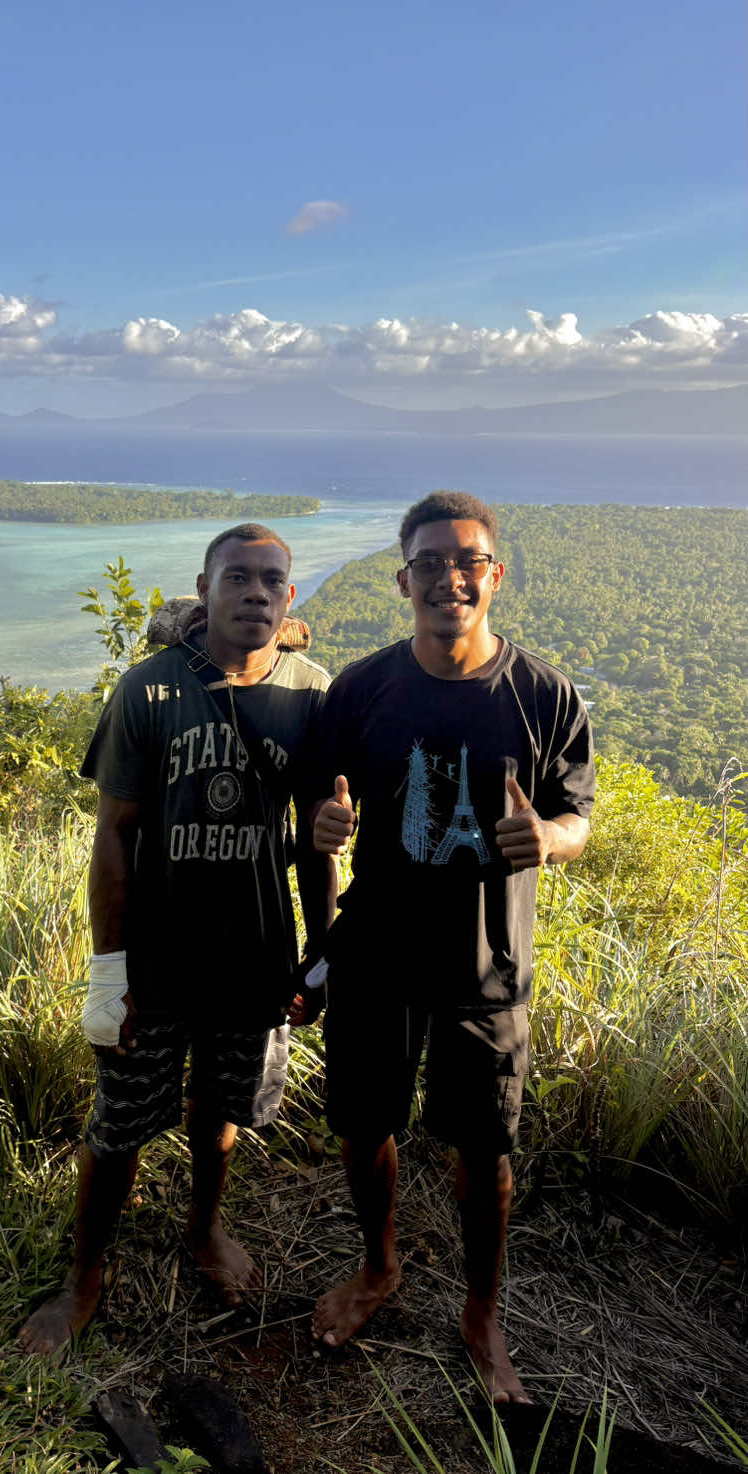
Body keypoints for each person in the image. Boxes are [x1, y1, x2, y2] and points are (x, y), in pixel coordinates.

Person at [20, 523, 335, 1354]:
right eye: (238, 578)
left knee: (221, 1109)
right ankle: (85, 1275)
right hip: (155, 962)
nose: (255, 593)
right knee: (118, 1125)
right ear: (204, 587)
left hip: (256, 956)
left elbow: (315, 834)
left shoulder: (312, 693)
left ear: (290, 599)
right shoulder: (148, 691)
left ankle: (203, 1230)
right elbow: (113, 836)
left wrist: (323, 950)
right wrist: (107, 972)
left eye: (272, 580)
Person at [311, 491, 594, 1402]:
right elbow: (320, 812)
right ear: (402, 580)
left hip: (486, 967)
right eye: (429, 562)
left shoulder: (544, 694)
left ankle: (480, 1309)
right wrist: (329, 829)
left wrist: (549, 839)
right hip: (376, 954)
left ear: (494, 576)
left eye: (467, 560)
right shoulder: (359, 691)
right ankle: (380, 1264)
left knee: (485, 1144)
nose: (449, 578)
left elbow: (579, 816)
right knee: (364, 1124)